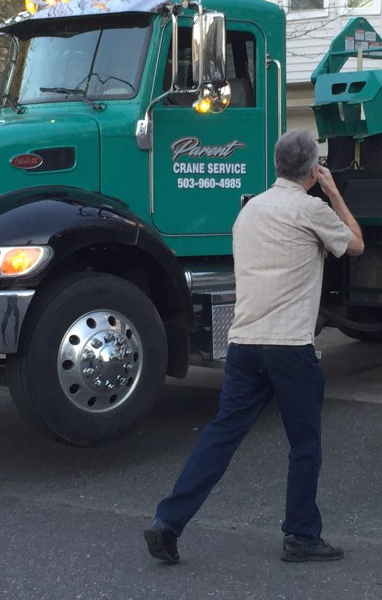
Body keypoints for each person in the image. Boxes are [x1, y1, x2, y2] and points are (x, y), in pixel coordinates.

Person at [144, 129, 365, 565]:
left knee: (221, 437)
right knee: (305, 443)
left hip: (244, 344)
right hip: (289, 347)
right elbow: (355, 244)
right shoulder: (311, 209)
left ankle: (168, 522)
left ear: (277, 165)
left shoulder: (249, 211)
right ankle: (301, 535)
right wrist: (334, 192)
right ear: (312, 169)